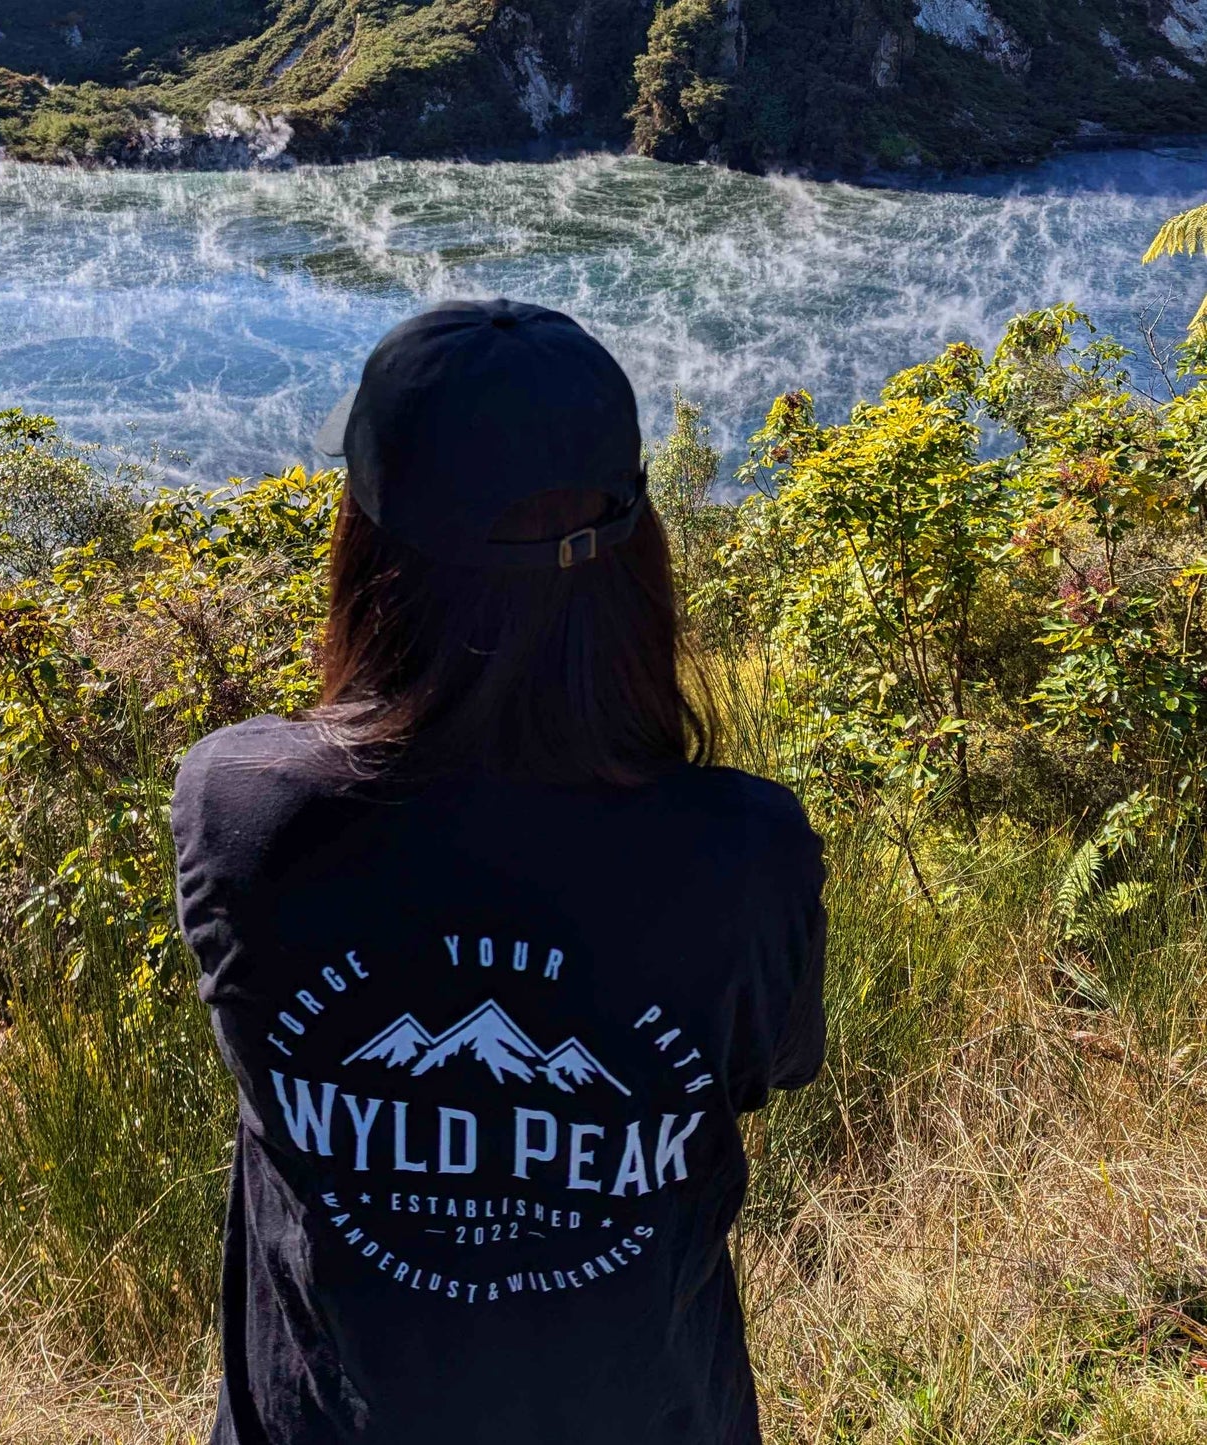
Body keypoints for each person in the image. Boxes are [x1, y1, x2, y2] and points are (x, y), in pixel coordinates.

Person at [171, 298, 827, 1445]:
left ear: (360, 542)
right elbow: (754, 1070)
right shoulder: (742, 850)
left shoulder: (242, 808)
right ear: (637, 551)